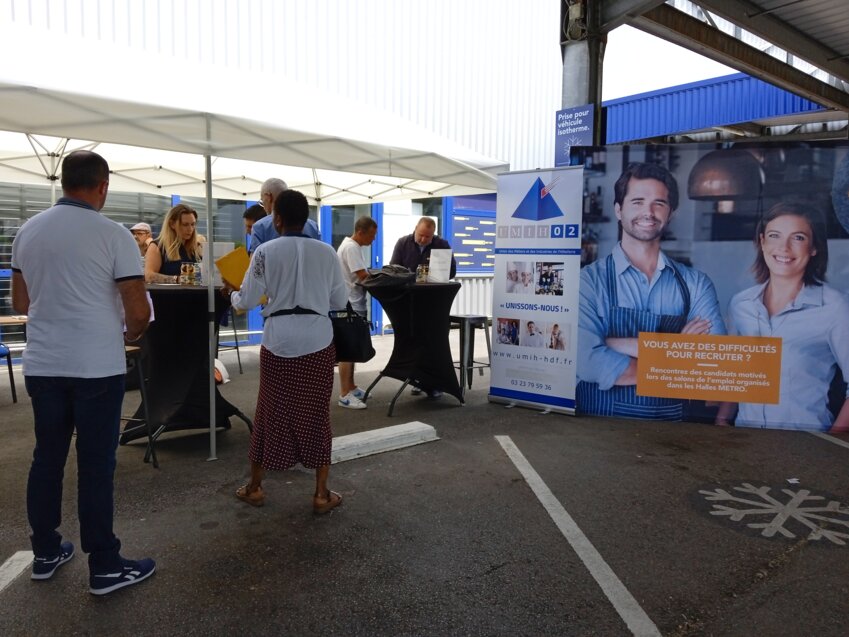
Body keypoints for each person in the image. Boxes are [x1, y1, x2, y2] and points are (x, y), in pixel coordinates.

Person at [10, 150, 156, 595]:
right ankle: (105, 565)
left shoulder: (28, 231)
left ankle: (45, 551)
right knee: (95, 465)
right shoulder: (113, 235)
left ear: (64, 180)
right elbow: (137, 309)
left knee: (47, 458)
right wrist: (129, 332)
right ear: (102, 185)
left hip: (43, 363)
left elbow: (20, 302)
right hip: (96, 366)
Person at [229, 189, 348, 512]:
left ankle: (255, 487)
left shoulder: (264, 252)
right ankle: (321, 494)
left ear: (276, 219)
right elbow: (339, 301)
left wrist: (232, 295)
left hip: (277, 341)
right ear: (306, 218)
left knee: (270, 413)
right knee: (317, 416)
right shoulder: (327, 253)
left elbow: (246, 300)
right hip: (317, 341)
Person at [576, 162, 725, 420]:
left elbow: (713, 365)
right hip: (599, 429)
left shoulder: (696, 284)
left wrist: (615, 344)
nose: (648, 212)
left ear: (671, 213)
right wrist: (677, 351)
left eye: (659, 203)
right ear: (619, 210)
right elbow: (587, 362)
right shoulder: (588, 282)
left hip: (674, 431)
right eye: (637, 202)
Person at [718, 202, 849, 432]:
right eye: (774, 236)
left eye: (798, 238)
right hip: (743, 441)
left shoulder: (834, 307)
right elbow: (735, 374)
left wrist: (832, 441)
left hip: (804, 445)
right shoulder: (741, 304)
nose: (784, 247)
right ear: (762, 242)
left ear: (814, 247)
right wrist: (722, 420)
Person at [336, 216, 378, 409]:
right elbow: (362, 276)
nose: (373, 239)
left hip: (353, 303)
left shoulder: (351, 246)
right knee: (347, 350)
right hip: (350, 304)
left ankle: (351, 387)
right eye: (372, 235)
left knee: (352, 350)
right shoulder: (351, 247)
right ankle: (344, 394)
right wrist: (383, 282)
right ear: (361, 232)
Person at [250, 178, 320, 252]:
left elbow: (255, 258)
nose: (263, 206)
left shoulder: (260, 227)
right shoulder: (313, 226)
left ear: (269, 197)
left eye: (262, 200)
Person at [144, 203, 203, 283]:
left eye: (193, 224)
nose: (190, 229)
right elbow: (149, 276)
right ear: (172, 224)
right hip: (169, 291)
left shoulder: (196, 248)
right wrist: (177, 279)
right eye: (185, 225)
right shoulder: (157, 247)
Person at [389, 217, 456, 278]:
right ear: (416, 228)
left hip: (433, 286)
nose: (423, 239)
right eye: (421, 235)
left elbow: (452, 271)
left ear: (433, 234)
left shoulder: (442, 245)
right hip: (407, 285)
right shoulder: (403, 243)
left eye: (427, 237)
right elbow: (392, 269)